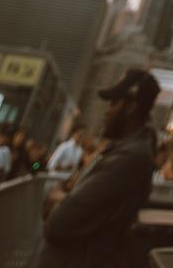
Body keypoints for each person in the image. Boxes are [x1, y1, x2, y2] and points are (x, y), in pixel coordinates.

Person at [33, 69, 159, 268]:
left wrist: (58, 196)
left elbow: (58, 223)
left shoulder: (128, 159)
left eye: (113, 103)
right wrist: (67, 196)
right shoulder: (121, 151)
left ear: (130, 107)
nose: (107, 111)